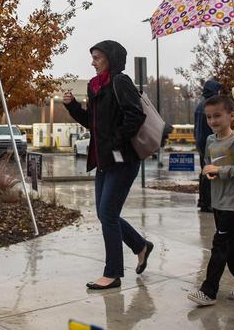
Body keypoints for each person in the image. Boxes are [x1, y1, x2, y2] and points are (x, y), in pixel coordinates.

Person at [63, 40, 152, 290]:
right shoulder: (95, 86)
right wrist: (72, 107)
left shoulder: (120, 82)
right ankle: (141, 246)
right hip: (103, 160)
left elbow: (136, 115)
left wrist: (114, 142)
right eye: (92, 57)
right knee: (105, 214)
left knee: (109, 215)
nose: (93, 62)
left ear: (111, 58)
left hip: (123, 160)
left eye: (97, 57)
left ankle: (113, 274)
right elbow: (91, 123)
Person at [187, 94, 234, 306]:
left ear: (231, 115)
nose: (213, 121)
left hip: (233, 203)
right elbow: (210, 163)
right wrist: (210, 171)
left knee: (220, 245)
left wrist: (220, 170)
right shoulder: (210, 140)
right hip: (217, 201)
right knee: (232, 244)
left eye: (217, 115)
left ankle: (208, 291)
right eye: (209, 117)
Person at [194, 79, 223, 212]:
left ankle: (203, 201)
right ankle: (209, 203)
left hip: (201, 143)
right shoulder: (211, 106)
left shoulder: (200, 105)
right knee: (211, 173)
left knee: (205, 172)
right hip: (210, 144)